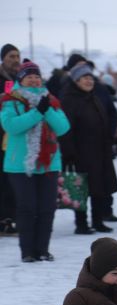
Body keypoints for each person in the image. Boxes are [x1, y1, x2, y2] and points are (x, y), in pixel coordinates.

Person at [0, 60, 69, 262]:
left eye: (37, 76)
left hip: (48, 162)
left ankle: (43, 249)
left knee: (47, 208)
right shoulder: (10, 100)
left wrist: (46, 109)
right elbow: (11, 126)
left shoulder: (51, 100)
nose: (34, 79)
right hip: (19, 165)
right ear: (21, 80)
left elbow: (63, 127)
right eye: (29, 76)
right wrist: (36, 112)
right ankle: (28, 251)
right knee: (27, 207)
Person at [59, 63, 117, 234]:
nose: (88, 81)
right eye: (84, 78)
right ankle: (81, 223)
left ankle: (98, 221)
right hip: (80, 152)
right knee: (81, 188)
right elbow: (66, 129)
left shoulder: (94, 98)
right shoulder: (69, 100)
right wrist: (69, 153)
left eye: (90, 78)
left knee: (99, 187)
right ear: (76, 81)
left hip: (99, 150)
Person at [0, 44, 21, 236]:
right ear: (3, 59)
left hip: (16, 138)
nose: (15, 59)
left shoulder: (21, 80)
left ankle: (10, 218)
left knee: (12, 181)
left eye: (17, 56)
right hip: (2, 135)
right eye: (11, 56)